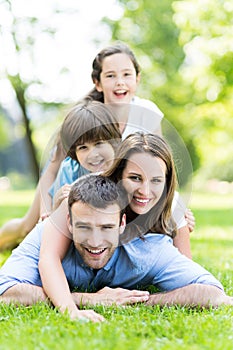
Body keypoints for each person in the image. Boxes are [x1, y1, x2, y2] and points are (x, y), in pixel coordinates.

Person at [0, 41, 194, 250]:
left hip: (111, 189)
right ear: (98, 83)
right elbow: (52, 168)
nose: (120, 82)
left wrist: (176, 207)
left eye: (127, 74)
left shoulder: (147, 114)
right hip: (67, 178)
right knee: (27, 229)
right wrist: (45, 213)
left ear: (137, 79)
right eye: (111, 76)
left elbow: (159, 167)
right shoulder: (86, 117)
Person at [0, 174, 232, 323]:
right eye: (84, 227)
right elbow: (4, 293)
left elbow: (213, 293)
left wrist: (134, 300)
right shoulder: (46, 236)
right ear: (69, 223)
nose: (95, 241)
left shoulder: (146, 250)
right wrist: (88, 300)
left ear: (122, 224)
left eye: (106, 227)